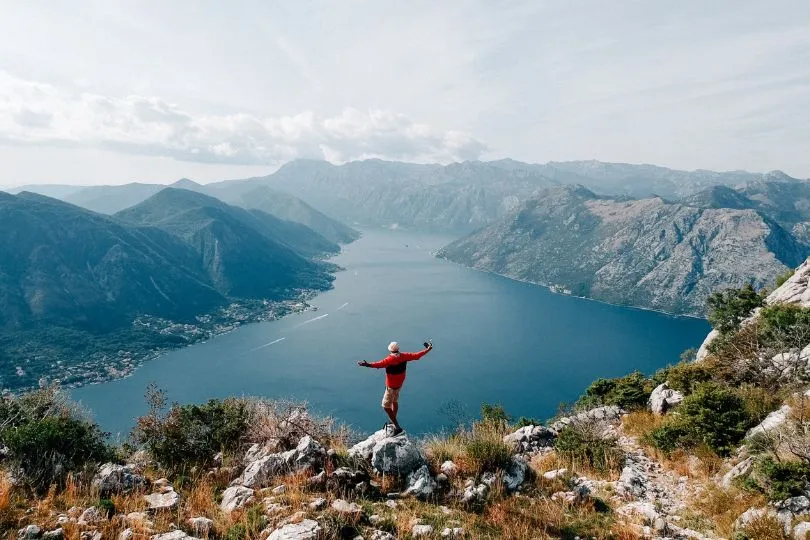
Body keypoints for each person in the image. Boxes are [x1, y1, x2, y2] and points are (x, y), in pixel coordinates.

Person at [357, 340, 433, 435]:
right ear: (398, 349)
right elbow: (417, 355)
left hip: (391, 387)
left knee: (385, 406)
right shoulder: (404, 356)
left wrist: (366, 364)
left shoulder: (389, 360)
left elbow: (378, 364)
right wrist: (428, 349)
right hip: (399, 384)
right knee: (394, 401)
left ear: (390, 350)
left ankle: (397, 426)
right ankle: (392, 421)